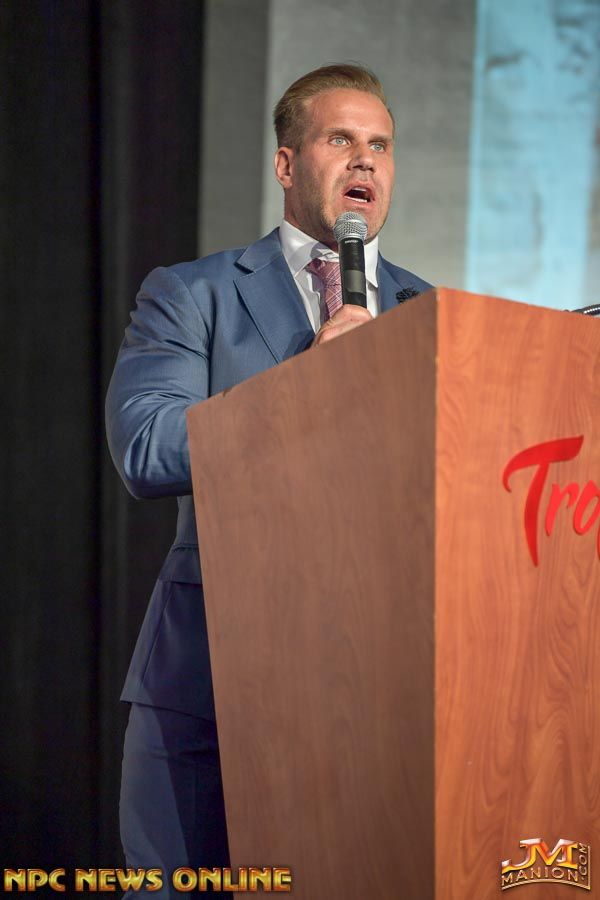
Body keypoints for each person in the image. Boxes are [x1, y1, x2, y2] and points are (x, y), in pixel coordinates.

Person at [105, 63, 431, 895]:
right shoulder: (194, 294)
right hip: (210, 684)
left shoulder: (431, 314)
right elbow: (146, 447)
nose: (365, 159)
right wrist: (304, 387)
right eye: (340, 139)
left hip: (378, 694)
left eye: (381, 144)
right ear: (287, 164)